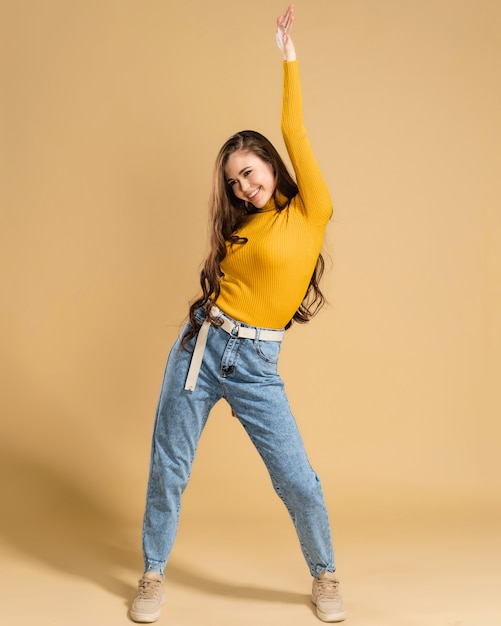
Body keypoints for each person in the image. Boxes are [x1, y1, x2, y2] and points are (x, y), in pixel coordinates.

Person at [130, 5, 346, 623]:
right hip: (201, 347)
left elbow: (296, 128)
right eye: (234, 183)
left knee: (296, 478)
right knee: (168, 465)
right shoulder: (239, 231)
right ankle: (151, 573)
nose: (244, 188)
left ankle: (325, 574)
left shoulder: (310, 212)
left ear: (271, 166)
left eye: (249, 174)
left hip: (255, 362)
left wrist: (288, 59)